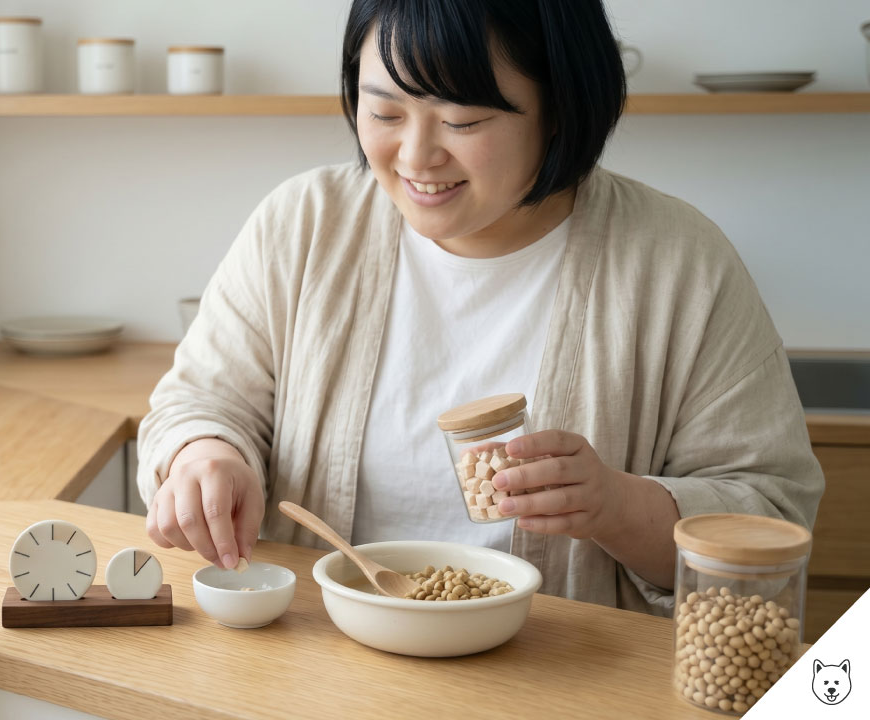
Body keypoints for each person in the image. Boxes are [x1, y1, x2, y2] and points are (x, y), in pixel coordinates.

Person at [135, 0, 823, 615]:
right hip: (319, 670)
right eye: (383, 111)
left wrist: (618, 506)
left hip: (566, 686)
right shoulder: (304, 224)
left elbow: (769, 516)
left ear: (560, 105)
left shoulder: (680, 262)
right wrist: (206, 455)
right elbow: (202, 399)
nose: (415, 155)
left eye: (462, 119)